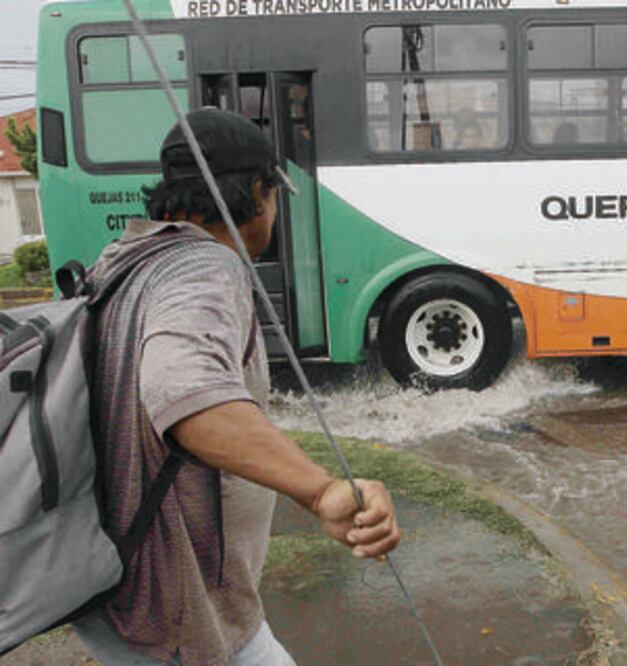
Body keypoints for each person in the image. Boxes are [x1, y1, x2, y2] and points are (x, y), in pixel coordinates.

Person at [71, 108, 401, 665]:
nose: (274, 212)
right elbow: (184, 391)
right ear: (255, 192)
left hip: (117, 585)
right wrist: (319, 490)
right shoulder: (205, 265)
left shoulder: (122, 260)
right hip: (178, 609)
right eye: (273, 195)